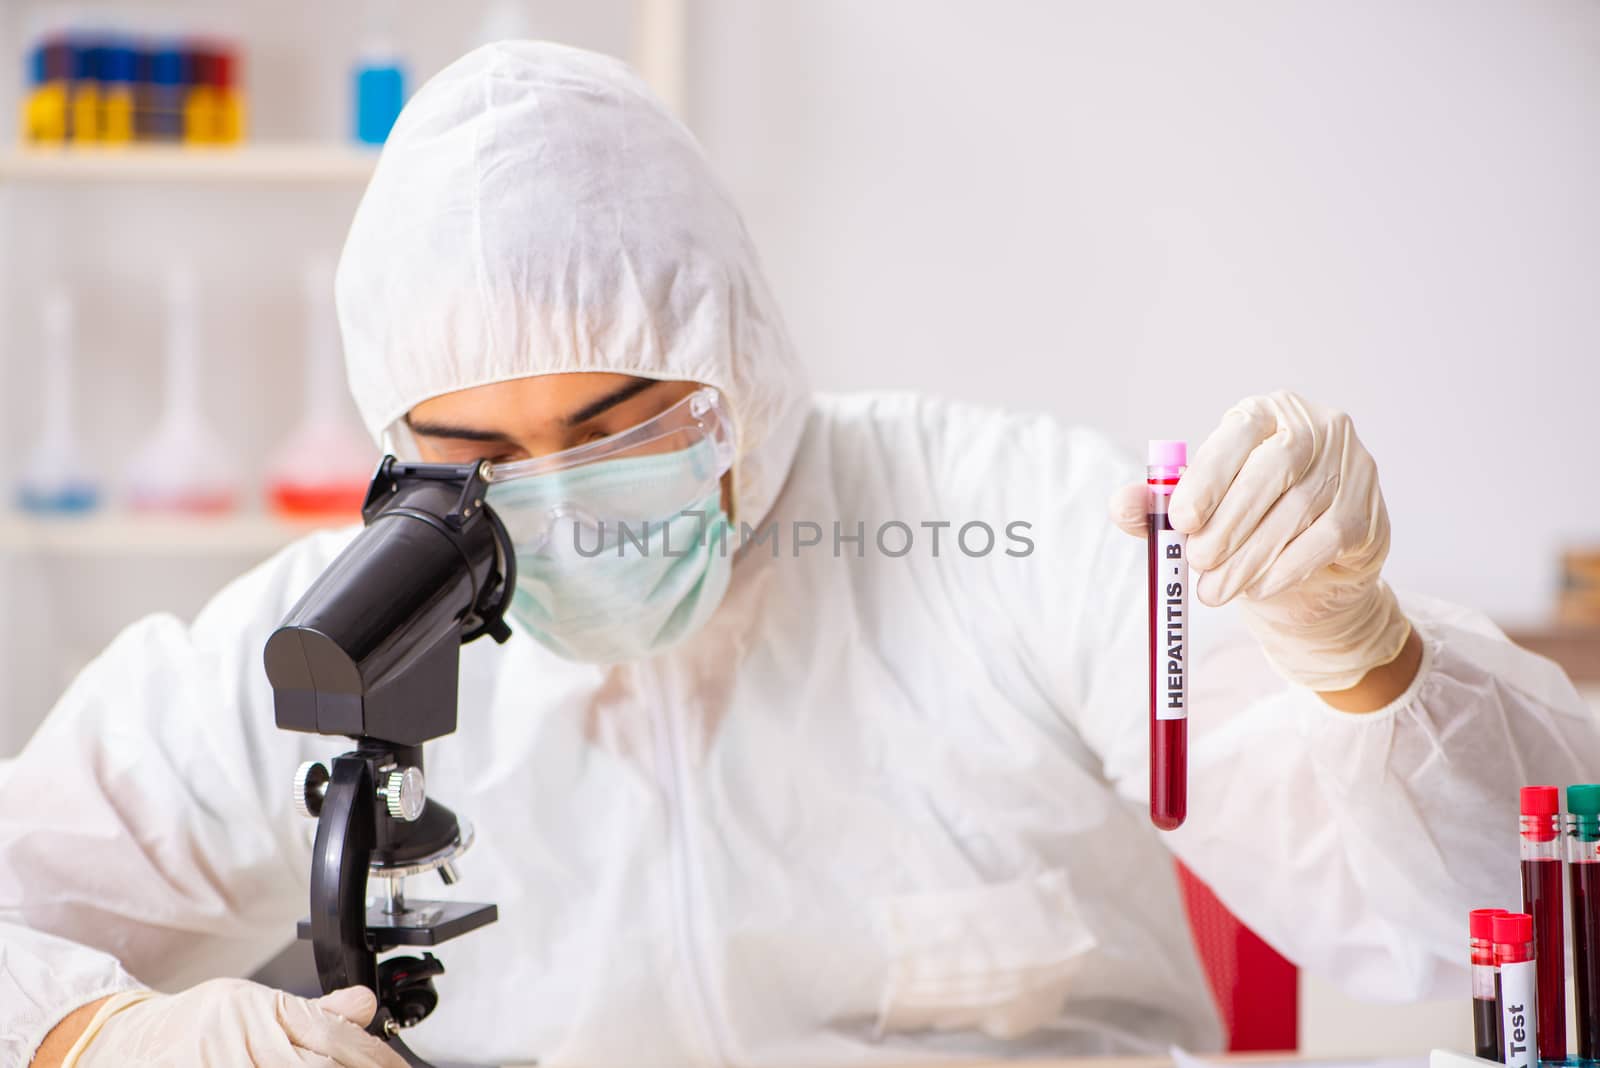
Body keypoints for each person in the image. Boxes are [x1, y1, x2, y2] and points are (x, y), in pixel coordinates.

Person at [5, 41, 1597, 1068]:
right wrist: (92, 1031)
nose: (559, 501)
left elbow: (1474, 907)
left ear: (737, 354)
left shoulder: (1005, 521)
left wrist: (1361, 656)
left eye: (620, 422)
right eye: (481, 458)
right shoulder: (335, 629)